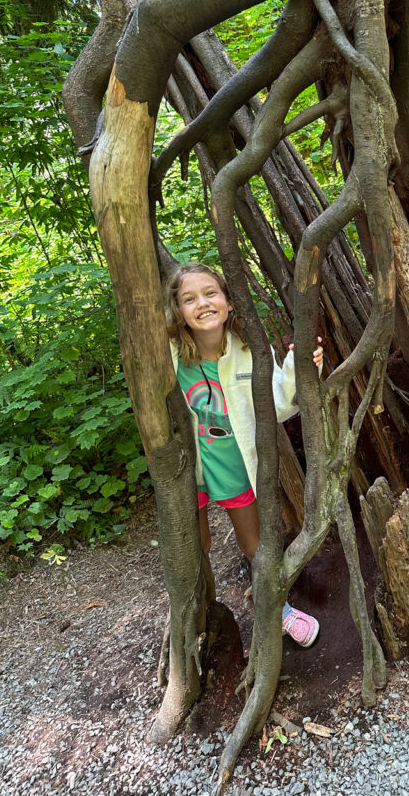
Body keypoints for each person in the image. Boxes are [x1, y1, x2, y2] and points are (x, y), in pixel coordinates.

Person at [165, 261, 322, 648]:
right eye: (189, 299)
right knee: (194, 545)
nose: (202, 303)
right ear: (179, 312)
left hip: (234, 464)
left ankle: (278, 608)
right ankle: (191, 618)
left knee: (255, 543)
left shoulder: (248, 348)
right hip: (189, 469)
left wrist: (300, 369)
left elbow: (276, 404)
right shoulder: (167, 354)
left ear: (229, 301)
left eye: (210, 293)